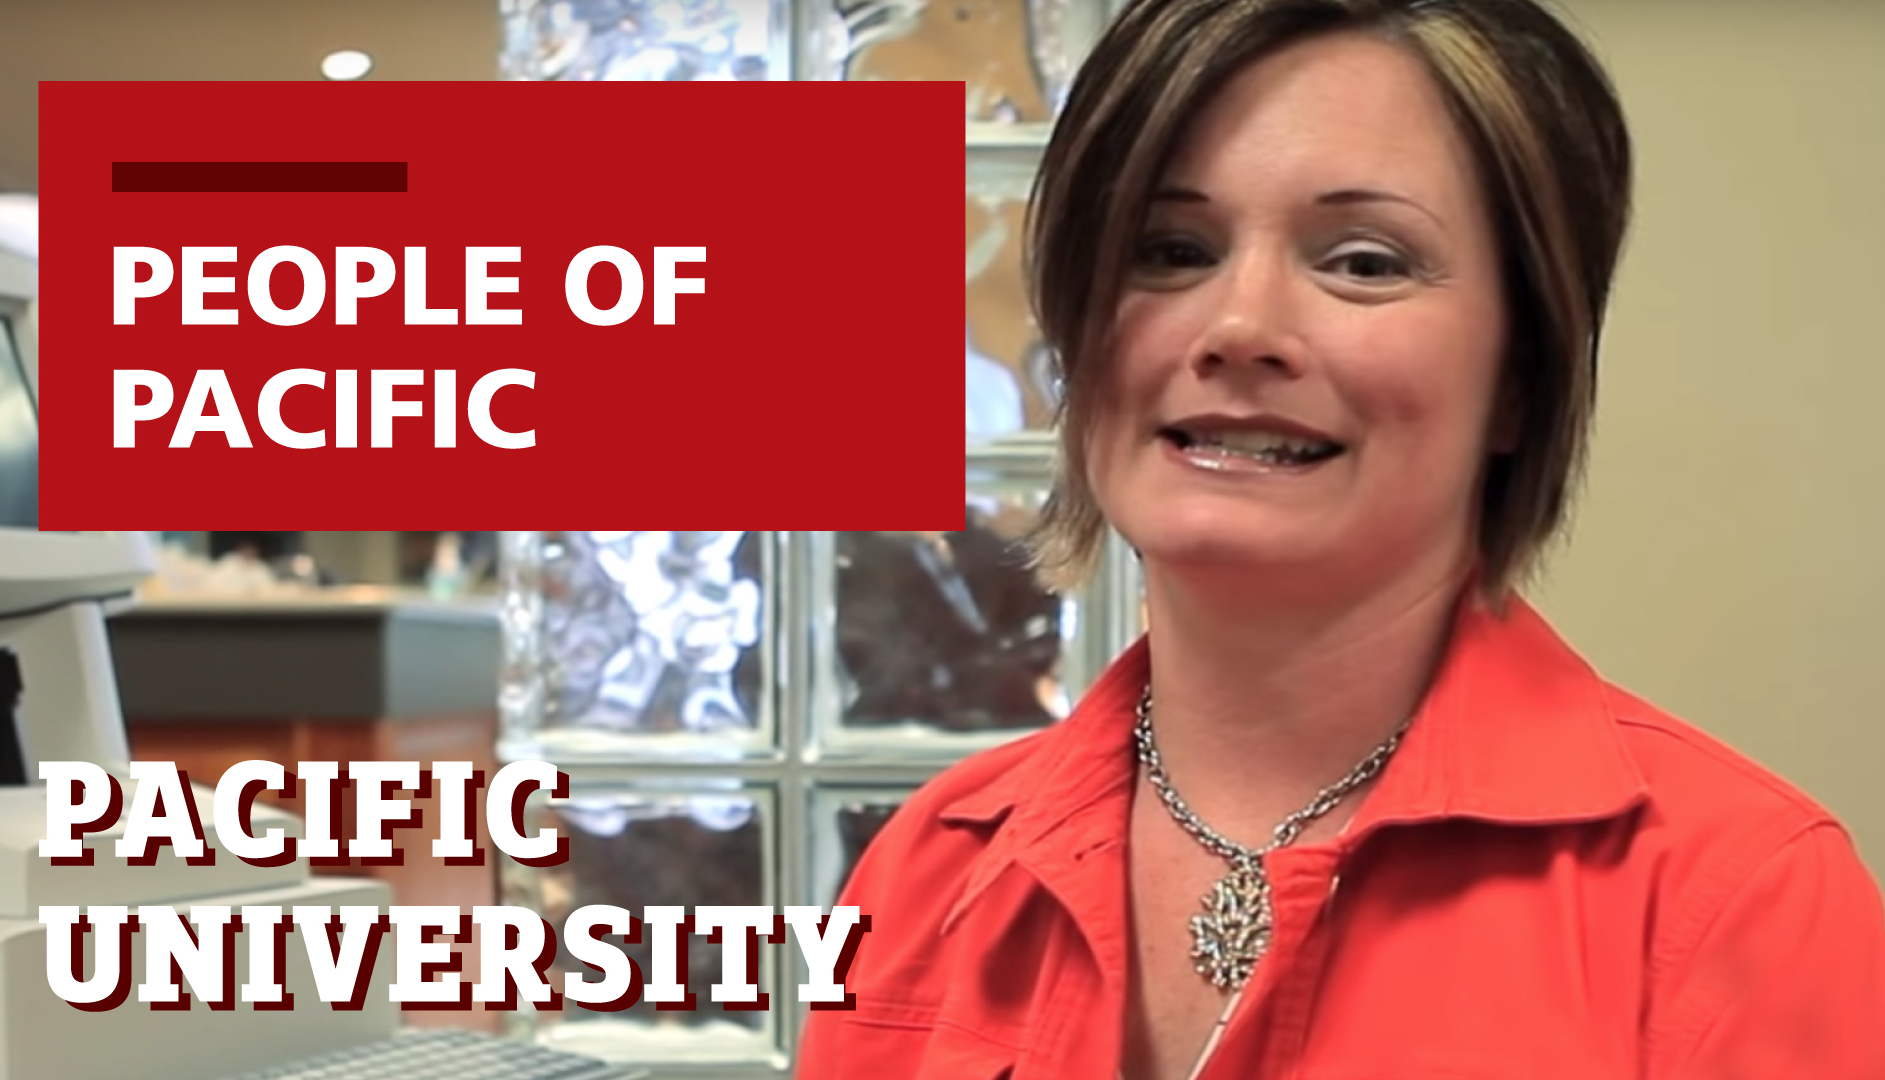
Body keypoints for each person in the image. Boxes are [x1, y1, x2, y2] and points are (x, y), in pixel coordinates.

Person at [795, 0, 1885, 1077]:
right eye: (1172, 250)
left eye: (1364, 263)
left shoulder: (1741, 903)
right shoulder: (927, 874)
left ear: (1521, 375)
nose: (1240, 329)